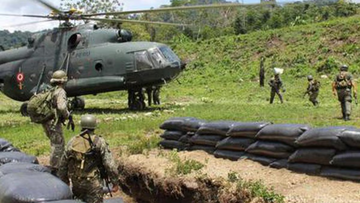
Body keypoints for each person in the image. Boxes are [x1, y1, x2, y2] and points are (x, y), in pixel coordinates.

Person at [58, 114, 119, 203]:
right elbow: (110, 165)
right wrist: (115, 182)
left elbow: (63, 163)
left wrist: (65, 180)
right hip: (93, 184)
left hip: (76, 183)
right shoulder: (99, 142)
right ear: (94, 126)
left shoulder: (73, 141)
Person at [42, 70, 70, 171]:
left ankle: (56, 166)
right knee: (58, 145)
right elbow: (62, 107)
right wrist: (67, 115)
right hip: (53, 122)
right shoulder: (60, 91)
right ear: (63, 81)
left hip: (46, 121)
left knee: (55, 143)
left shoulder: (50, 90)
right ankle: (54, 169)